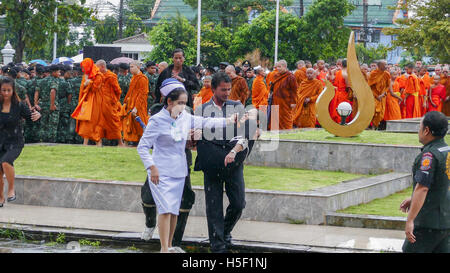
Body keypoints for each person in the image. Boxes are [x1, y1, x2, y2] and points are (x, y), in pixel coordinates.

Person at [137, 78, 237, 253]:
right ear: (169, 101)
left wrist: (228, 121)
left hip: (179, 170)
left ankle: (170, 245)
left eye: (185, 103)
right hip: (160, 172)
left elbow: (206, 122)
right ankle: (163, 249)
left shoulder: (185, 117)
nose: (183, 106)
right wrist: (151, 167)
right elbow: (143, 147)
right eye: (179, 103)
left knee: (174, 210)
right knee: (165, 209)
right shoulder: (157, 120)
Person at [193, 72, 258, 253]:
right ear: (213, 89)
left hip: (233, 162)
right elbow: (200, 138)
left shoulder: (237, 107)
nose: (227, 93)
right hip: (212, 163)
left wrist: (236, 155)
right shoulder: (202, 110)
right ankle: (218, 246)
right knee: (213, 207)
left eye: (229, 89)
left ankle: (225, 232)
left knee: (238, 203)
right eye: (223, 90)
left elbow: (246, 132)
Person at [140, 103, 197, 252]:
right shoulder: (160, 114)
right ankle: (150, 223)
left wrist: (191, 137)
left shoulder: (187, 115)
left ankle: (173, 243)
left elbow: (189, 136)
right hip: (160, 165)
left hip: (181, 164)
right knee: (148, 198)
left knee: (184, 202)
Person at [400, 111, 450, 253]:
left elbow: (422, 188)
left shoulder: (429, 155)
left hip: (428, 223)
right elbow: (442, 183)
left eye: (420, 126)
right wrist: (413, 198)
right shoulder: (447, 151)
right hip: (446, 222)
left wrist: (410, 221)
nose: (418, 130)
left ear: (427, 130)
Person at [0, 77, 41, 207]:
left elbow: (31, 117)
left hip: (15, 141)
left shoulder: (19, 105)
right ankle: (0, 197)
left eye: (8, 90)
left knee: (6, 162)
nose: (6, 93)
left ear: (13, 91)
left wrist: (38, 115)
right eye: (3, 90)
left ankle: (11, 189)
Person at [71, 58, 104, 146]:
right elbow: (82, 88)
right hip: (86, 101)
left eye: (85, 67)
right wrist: (86, 83)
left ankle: (98, 142)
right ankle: (85, 143)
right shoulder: (85, 75)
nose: (84, 70)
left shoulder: (98, 75)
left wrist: (89, 83)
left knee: (94, 122)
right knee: (85, 121)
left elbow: (95, 89)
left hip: (95, 102)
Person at [95, 60, 124, 147]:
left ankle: (120, 143)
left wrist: (114, 101)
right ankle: (99, 142)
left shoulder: (111, 76)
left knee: (114, 122)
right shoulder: (97, 76)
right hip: (99, 103)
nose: (96, 69)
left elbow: (118, 90)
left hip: (109, 104)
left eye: (98, 67)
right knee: (98, 122)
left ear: (103, 67)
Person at [121, 61, 149, 146]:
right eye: (130, 67)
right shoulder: (133, 77)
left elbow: (142, 94)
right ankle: (125, 143)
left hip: (139, 105)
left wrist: (136, 107)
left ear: (138, 67)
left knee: (139, 125)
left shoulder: (143, 78)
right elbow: (130, 91)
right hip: (130, 104)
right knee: (128, 124)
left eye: (132, 67)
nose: (130, 69)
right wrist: (125, 102)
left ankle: (143, 144)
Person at [268, 60, 298, 130]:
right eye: (277, 67)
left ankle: (286, 136)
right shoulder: (276, 76)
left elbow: (294, 91)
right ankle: (275, 136)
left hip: (285, 103)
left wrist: (293, 102)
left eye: (279, 67)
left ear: (285, 67)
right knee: (274, 120)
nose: (277, 68)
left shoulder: (290, 77)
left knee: (285, 120)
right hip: (275, 101)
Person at [34, 64, 60, 143]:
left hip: (43, 105)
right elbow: (52, 91)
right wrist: (52, 105)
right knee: (52, 125)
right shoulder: (54, 80)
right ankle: (51, 142)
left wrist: (35, 104)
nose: (59, 74)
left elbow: (37, 92)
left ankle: (42, 140)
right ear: (54, 72)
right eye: (58, 72)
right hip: (52, 105)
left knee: (43, 124)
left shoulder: (42, 80)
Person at [368, 60, 391, 129]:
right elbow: (369, 86)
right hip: (374, 96)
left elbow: (387, 86)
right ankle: (368, 126)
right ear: (379, 66)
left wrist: (383, 94)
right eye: (385, 65)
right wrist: (376, 96)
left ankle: (374, 127)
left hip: (382, 96)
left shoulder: (387, 74)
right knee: (372, 111)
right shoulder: (373, 73)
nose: (386, 66)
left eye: (386, 64)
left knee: (380, 113)